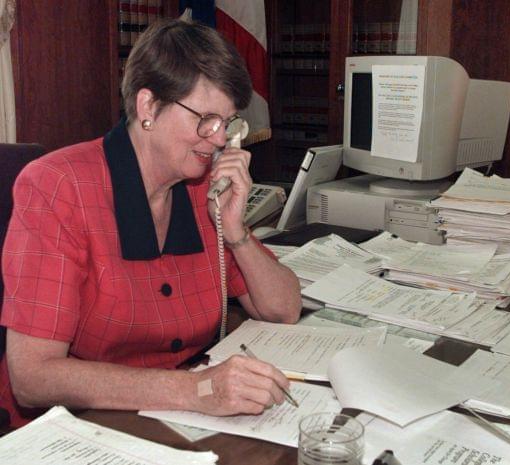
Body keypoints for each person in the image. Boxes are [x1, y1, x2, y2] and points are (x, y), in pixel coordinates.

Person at [0, 18, 302, 428]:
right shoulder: (58, 187)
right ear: (147, 107)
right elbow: (32, 377)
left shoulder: (204, 188)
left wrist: (236, 232)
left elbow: (284, 311)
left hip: (176, 419)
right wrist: (195, 391)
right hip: (75, 424)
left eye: (228, 124)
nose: (217, 140)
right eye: (206, 119)